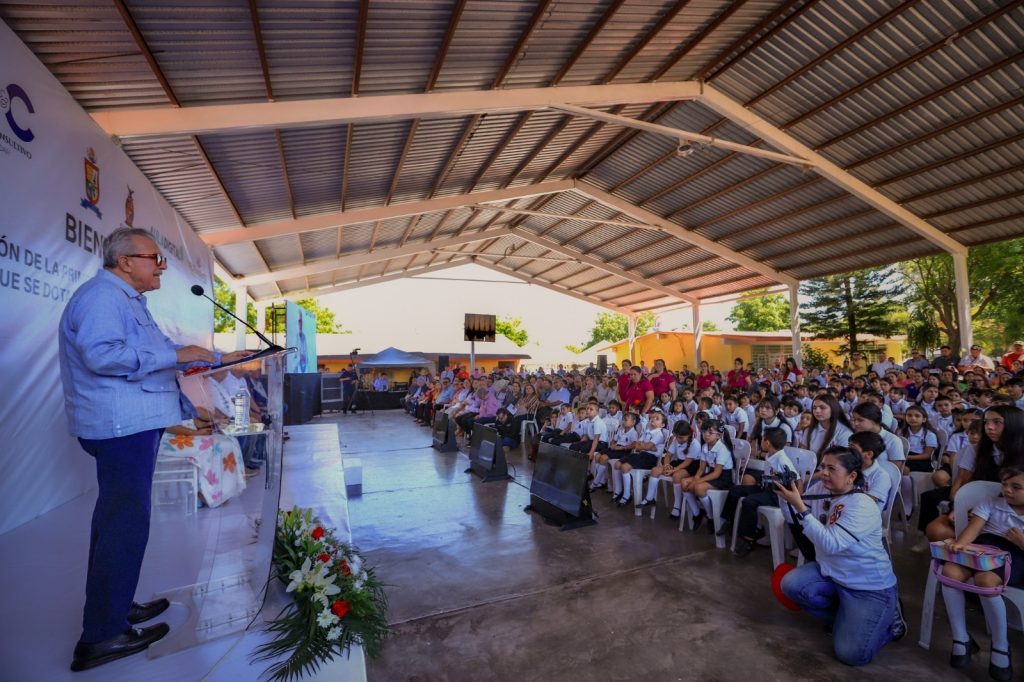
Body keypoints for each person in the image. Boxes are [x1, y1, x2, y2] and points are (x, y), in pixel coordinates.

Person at [58, 228, 250, 671]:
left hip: (132, 423)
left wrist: (190, 358)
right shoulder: (103, 298)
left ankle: (115, 606)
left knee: (115, 523)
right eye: (154, 258)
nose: (161, 266)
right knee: (125, 524)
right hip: (119, 426)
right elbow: (102, 355)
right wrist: (175, 356)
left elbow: (153, 352)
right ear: (124, 261)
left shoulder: (127, 300)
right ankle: (102, 636)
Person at [775, 447, 904, 666]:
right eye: (822, 467)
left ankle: (891, 621)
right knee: (790, 585)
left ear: (852, 476)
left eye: (831, 468)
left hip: (868, 588)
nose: (823, 472)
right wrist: (786, 496)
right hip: (832, 574)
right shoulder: (820, 489)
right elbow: (792, 516)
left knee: (850, 654)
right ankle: (847, 617)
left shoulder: (862, 504)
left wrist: (800, 506)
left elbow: (831, 543)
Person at [939, 466, 1024, 681]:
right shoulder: (992, 503)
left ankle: (1001, 645)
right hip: (983, 549)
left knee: (985, 580)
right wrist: (960, 544)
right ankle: (961, 638)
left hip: (1014, 556)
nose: (1007, 490)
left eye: (1016, 487)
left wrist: (1021, 541)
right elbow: (974, 529)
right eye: (1005, 484)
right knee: (950, 571)